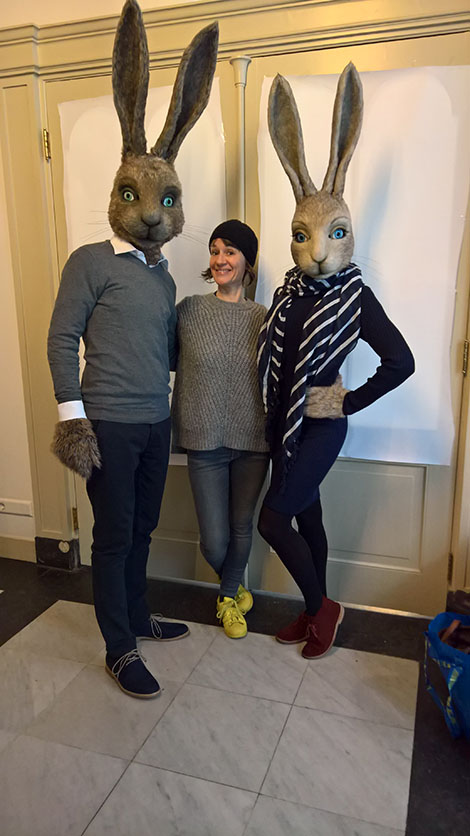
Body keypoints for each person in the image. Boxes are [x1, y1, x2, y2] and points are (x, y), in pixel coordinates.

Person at [47, 2, 219, 699]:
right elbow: (61, 337)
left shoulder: (164, 274)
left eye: (165, 199)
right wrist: (73, 420)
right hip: (110, 425)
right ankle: (118, 646)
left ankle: (138, 615)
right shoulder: (90, 261)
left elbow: (165, 348)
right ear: (117, 196)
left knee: (144, 526)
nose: (151, 211)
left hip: (154, 422)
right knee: (114, 534)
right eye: (134, 194)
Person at [256, 66, 415, 660]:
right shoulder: (287, 293)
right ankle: (312, 608)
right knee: (309, 519)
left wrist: (347, 399)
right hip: (284, 423)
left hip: (321, 424)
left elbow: (401, 361)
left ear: (349, 234)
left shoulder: (355, 295)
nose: (317, 250)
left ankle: (325, 608)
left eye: (333, 232)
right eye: (303, 235)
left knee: (273, 522)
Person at [172, 220, 269, 638]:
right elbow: (164, 359)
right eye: (214, 251)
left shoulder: (265, 318)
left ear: (247, 262)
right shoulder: (189, 311)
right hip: (203, 440)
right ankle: (235, 589)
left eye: (230, 251)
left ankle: (227, 598)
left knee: (242, 525)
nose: (220, 259)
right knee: (213, 540)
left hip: (253, 440)